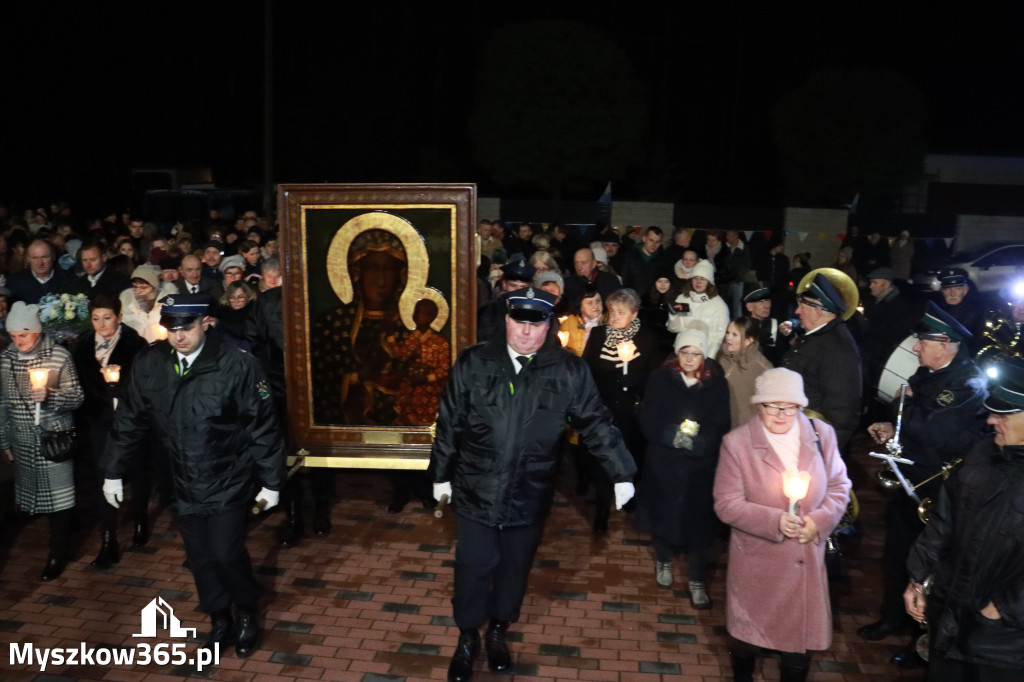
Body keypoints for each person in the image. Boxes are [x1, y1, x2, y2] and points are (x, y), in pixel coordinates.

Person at [430, 286, 636, 682]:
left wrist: (622, 472)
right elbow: (450, 420)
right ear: (506, 320)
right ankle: (468, 635)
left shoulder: (568, 369)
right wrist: (440, 473)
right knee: (472, 566)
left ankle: (499, 632)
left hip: (529, 489)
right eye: (518, 321)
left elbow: (594, 422)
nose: (525, 332)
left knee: (514, 569)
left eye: (535, 322)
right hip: (476, 486)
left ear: (549, 324)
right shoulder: (474, 362)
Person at [101, 294, 285, 658]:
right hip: (179, 479)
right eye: (171, 327)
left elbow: (262, 427)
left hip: (227, 476)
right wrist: (112, 472)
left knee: (225, 553)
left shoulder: (236, 365)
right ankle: (220, 618)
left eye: (186, 327)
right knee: (199, 556)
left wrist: (272, 480)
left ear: (207, 323)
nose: (178, 335)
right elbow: (129, 421)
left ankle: (246, 608)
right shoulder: (151, 363)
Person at [860, 302, 988, 668]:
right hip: (911, 483)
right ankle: (892, 618)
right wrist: (893, 425)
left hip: (940, 493)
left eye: (923, 342)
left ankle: (923, 640)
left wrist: (908, 410)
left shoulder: (967, 382)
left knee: (931, 567)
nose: (915, 348)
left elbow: (933, 431)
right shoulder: (928, 374)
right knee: (896, 554)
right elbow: (908, 414)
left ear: (946, 344)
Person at [714, 368, 852, 682]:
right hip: (758, 563)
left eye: (788, 406)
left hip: (804, 562)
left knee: (798, 646)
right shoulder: (738, 444)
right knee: (749, 640)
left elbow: (840, 486)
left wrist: (818, 522)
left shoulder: (821, 435)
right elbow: (726, 503)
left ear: (800, 406)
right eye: (771, 406)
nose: (780, 414)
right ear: (758, 406)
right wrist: (774, 521)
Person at [905, 354, 1024, 681]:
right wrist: (918, 576)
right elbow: (944, 520)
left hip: (1004, 647)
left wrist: (1003, 610)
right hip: (951, 620)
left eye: (1004, 414)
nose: (990, 421)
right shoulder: (983, 453)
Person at [636, 329, 731, 606]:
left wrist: (702, 444)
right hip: (665, 461)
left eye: (696, 353)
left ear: (704, 356)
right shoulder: (660, 379)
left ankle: (697, 577)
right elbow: (648, 417)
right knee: (663, 511)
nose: (689, 359)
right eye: (685, 352)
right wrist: (671, 436)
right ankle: (664, 559)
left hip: (699, 466)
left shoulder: (716, 384)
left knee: (698, 520)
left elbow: (720, 422)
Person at [0, 302, 84, 581]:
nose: (18, 341)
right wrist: (4, 440)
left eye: (22, 335)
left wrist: (51, 395)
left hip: (54, 438)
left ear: (35, 331)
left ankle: (58, 552)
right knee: (32, 497)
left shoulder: (58, 356)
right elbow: (1, 403)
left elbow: (76, 397)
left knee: (59, 499)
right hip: (22, 438)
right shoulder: (6, 359)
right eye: (13, 336)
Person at [72, 293, 148, 568]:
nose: (101, 325)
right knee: (105, 474)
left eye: (107, 318)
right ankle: (109, 540)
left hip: (130, 418)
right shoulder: (82, 348)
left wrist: (121, 388)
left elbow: (144, 383)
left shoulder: (134, 345)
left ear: (118, 317)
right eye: (95, 319)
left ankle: (140, 517)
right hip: (99, 420)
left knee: (137, 470)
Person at [582, 288, 665, 532]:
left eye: (621, 312)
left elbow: (654, 376)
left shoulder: (646, 339)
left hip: (630, 411)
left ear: (634, 313)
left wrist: (636, 380)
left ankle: (628, 497)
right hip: (603, 408)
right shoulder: (598, 335)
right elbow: (587, 368)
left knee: (628, 456)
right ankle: (601, 510)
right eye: (612, 312)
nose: (615, 317)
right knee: (602, 459)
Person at [781, 273, 862, 454]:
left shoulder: (838, 349)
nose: (796, 311)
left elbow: (842, 414)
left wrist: (819, 453)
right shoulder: (819, 336)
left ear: (818, 311)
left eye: (801, 306)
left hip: (810, 447)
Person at [666, 259, 730, 358]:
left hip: (705, 354)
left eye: (703, 278)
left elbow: (718, 337)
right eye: (695, 278)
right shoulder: (682, 299)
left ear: (709, 282)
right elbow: (673, 329)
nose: (698, 282)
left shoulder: (719, 305)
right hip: (683, 352)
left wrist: (709, 358)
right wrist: (673, 316)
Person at [718, 317, 774, 429]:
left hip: (744, 428)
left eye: (734, 335)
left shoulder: (761, 366)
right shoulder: (722, 357)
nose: (728, 337)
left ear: (748, 340)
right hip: (720, 423)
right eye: (728, 333)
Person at [7, 238, 85, 304]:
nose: (40, 263)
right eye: (35, 258)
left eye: (44, 257)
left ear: (53, 256)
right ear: (28, 259)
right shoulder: (14, 283)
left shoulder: (71, 280)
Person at [743, 285, 787, 365]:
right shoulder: (741, 327)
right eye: (761, 301)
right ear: (749, 307)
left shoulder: (777, 326)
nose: (767, 306)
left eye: (768, 301)